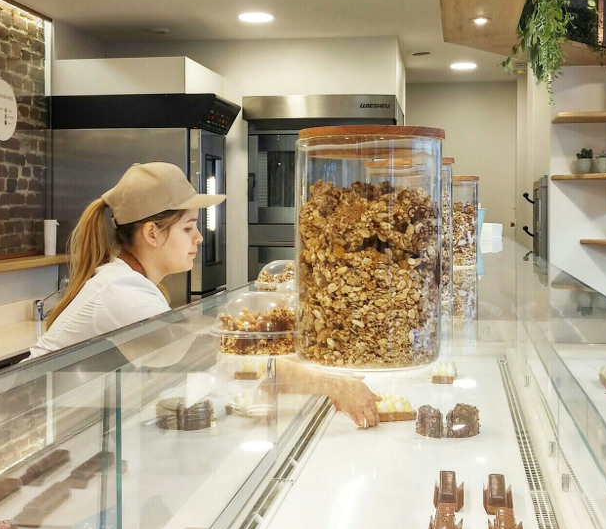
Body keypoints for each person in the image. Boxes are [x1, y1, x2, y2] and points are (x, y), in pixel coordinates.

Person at [28, 162, 380, 427]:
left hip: (64, 423)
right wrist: (332, 384)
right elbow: (224, 357)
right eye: (188, 227)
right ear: (152, 233)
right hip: (37, 425)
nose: (199, 238)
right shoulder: (123, 292)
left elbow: (211, 353)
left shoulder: (131, 283)